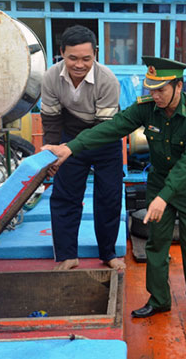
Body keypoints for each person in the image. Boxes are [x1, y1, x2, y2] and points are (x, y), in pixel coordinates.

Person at [43, 56, 186, 321]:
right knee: (156, 243)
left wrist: (163, 198)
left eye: (161, 90)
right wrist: (70, 147)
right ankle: (159, 300)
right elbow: (112, 128)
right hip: (158, 181)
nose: (154, 95)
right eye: (151, 89)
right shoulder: (146, 108)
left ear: (178, 86)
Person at [41, 25, 125, 271]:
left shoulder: (107, 80)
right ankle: (67, 255)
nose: (79, 64)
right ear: (61, 53)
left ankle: (108, 254)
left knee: (109, 198)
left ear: (95, 54)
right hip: (69, 136)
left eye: (86, 59)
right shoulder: (50, 77)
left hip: (105, 137)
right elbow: (51, 119)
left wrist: (71, 148)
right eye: (73, 58)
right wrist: (53, 152)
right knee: (65, 196)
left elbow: (103, 128)